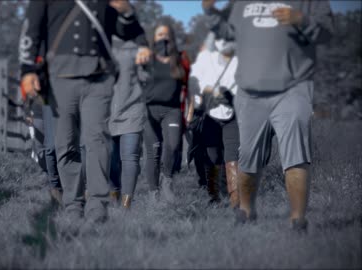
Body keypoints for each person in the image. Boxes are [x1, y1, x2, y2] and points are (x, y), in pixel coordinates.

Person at [202, 0, 334, 230]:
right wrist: (210, 11)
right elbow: (228, 32)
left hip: (293, 87)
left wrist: (301, 20)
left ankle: (298, 221)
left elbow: (326, 31)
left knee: (296, 154)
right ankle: (246, 211)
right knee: (248, 158)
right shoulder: (241, 3)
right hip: (250, 93)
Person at [19, 0, 149, 223]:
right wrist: (27, 70)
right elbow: (31, 30)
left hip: (99, 76)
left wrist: (127, 12)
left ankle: (98, 204)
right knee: (65, 142)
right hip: (60, 77)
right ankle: (73, 204)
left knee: (97, 139)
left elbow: (123, 30)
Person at [187, 35, 240, 208]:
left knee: (232, 156)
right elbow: (195, 82)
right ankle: (214, 196)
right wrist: (209, 90)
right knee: (213, 156)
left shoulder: (239, 61)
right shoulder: (206, 59)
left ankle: (235, 200)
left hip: (233, 116)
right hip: (210, 115)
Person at [140, 21, 186, 203]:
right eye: (159, 35)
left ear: (171, 37)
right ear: (154, 38)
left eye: (166, 35)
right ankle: (153, 192)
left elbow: (186, 81)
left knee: (173, 145)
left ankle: (167, 181)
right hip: (150, 110)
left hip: (172, 110)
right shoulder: (147, 58)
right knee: (152, 152)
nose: (163, 38)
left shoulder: (179, 59)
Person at [108, 36, 147, 209]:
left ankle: (126, 205)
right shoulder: (99, 45)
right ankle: (114, 193)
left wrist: (146, 65)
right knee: (110, 160)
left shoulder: (136, 49)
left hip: (132, 109)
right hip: (106, 113)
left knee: (130, 157)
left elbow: (147, 77)